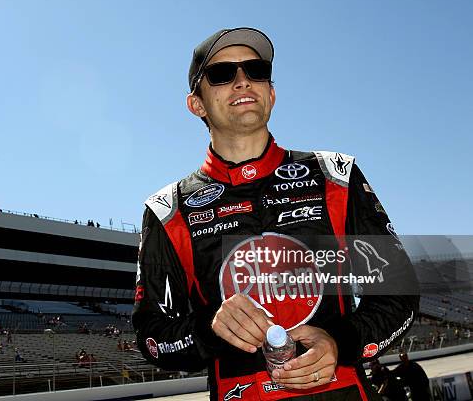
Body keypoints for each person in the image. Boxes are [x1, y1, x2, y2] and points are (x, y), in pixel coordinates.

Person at [132, 27, 420, 400]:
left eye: (255, 70)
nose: (242, 81)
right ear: (197, 104)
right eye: (222, 74)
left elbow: (400, 295)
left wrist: (340, 342)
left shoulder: (336, 175)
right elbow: (153, 339)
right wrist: (210, 327)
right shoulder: (168, 210)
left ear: (270, 93)